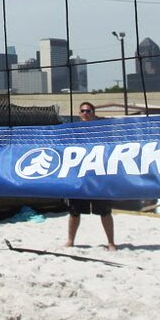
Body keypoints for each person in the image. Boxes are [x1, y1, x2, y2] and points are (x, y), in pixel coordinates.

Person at [63, 102, 117, 251]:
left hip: (99, 176)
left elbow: (110, 150)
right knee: (74, 211)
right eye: (82, 111)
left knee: (105, 211)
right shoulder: (75, 132)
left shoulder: (102, 131)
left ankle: (111, 242)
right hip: (81, 177)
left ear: (93, 113)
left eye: (88, 111)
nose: (85, 113)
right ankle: (70, 240)